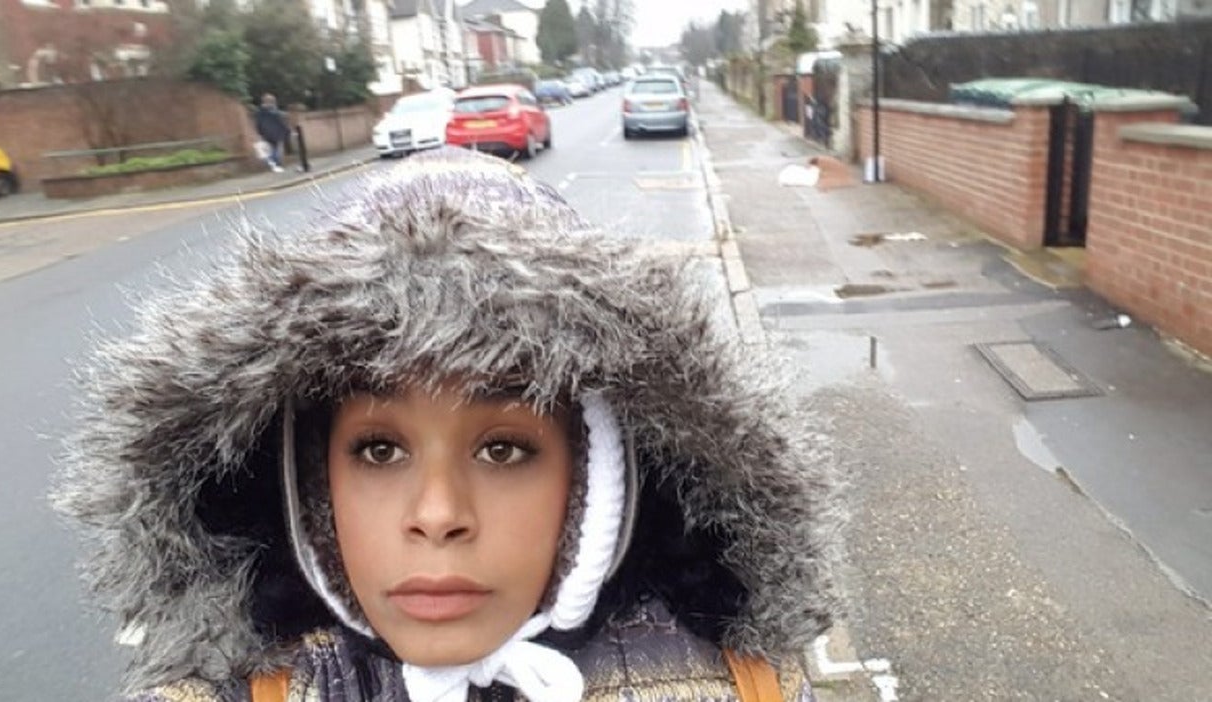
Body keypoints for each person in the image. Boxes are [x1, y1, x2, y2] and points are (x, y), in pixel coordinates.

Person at [52, 148, 842, 702]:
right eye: (378, 449)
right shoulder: (243, 689)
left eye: (504, 448)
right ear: (306, 487)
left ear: (597, 481)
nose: (437, 515)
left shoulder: (752, 686)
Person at [255, 93, 291, 172]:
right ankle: (276, 163)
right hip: (275, 132)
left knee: (271, 148)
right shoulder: (274, 110)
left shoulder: (260, 111)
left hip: (265, 132)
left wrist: (260, 132)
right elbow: (280, 121)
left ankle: (274, 162)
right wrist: (286, 130)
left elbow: (258, 123)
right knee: (276, 148)